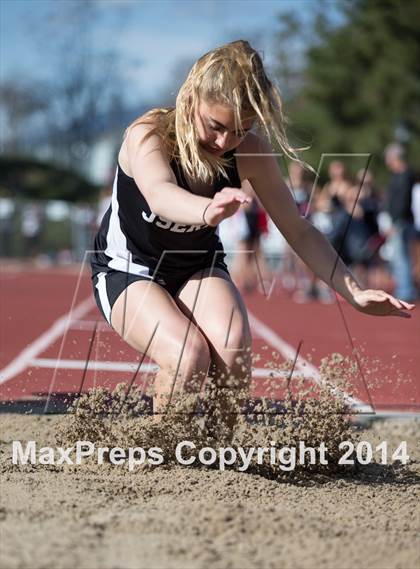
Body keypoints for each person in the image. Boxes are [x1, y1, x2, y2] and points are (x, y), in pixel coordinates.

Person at [90, 40, 414, 431]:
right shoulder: (147, 135)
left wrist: (354, 291)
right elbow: (160, 195)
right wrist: (206, 210)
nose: (225, 142)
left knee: (233, 346)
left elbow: (297, 228)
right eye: (216, 126)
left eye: (240, 130)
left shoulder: (251, 152)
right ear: (191, 99)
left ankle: (220, 449)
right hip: (130, 269)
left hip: (195, 266)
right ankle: (167, 453)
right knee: (187, 354)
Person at [384, 142, 416, 301]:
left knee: (401, 257)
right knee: (401, 256)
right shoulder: (398, 175)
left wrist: (396, 222)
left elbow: (402, 201)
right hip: (399, 221)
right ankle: (405, 288)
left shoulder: (405, 175)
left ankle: (406, 291)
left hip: (401, 222)